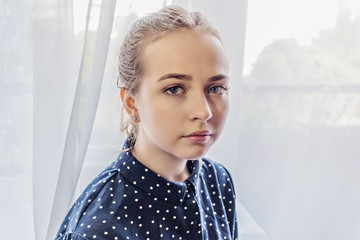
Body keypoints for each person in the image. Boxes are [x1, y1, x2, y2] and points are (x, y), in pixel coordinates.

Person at [55, 5, 238, 240]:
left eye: (215, 88)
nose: (204, 112)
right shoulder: (99, 228)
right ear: (132, 103)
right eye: (174, 89)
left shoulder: (218, 181)